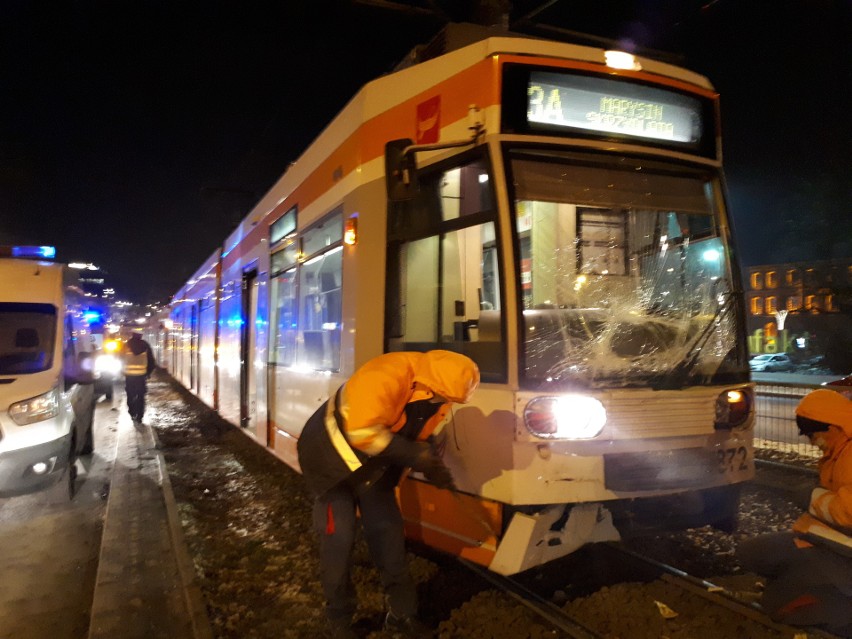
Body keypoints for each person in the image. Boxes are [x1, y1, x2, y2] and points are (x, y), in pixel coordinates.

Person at [297, 350, 480, 639]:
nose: (445, 404)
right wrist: (414, 456)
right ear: (430, 384)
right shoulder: (384, 375)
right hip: (331, 467)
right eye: (444, 397)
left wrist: (433, 467)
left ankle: (401, 616)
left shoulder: (438, 398)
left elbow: (418, 439)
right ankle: (340, 622)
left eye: (451, 400)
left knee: (389, 538)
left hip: (374, 468)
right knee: (339, 541)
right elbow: (362, 434)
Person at [737, 388, 852, 637]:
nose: (811, 442)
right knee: (754, 553)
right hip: (831, 546)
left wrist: (812, 498)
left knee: (780, 608)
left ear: (832, 427)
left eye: (812, 434)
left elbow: (848, 512)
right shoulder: (838, 452)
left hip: (841, 552)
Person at [123, 329, 156, 424]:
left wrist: (123, 371)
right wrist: (148, 373)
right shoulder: (145, 345)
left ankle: (132, 412)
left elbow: (120, 359)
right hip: (141, 377)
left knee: (130, 395)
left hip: (129, 376)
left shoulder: (126, 345)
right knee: (140, 396)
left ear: (132, 335)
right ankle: (140, 416)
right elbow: (151, 362)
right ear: (141, 335)